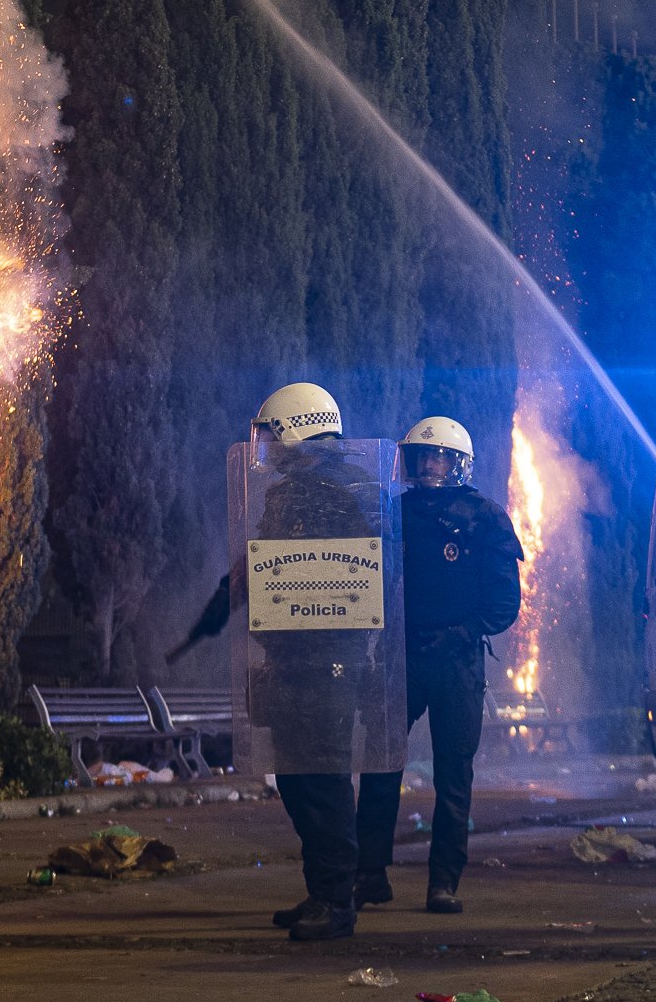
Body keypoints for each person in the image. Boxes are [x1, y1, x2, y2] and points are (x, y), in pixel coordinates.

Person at [175, 382, 395, 942]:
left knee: (321, 778)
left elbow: (376, 569)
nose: (265, 445)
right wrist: (222, 605)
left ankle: (337, 901)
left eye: (271, 432)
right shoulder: (287, 492)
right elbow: (265, 561)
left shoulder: (353, 489)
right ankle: (322, 888)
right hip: (291, 657)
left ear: (297, 427)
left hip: (330, 659)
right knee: (299, 779)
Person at [353, 415, 523, 915]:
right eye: (422, 456)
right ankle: (369, 875)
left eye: (439, 456)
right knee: (381, 766)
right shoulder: (390, 513)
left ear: (459, 463)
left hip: (457, 663)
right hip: (398, 657)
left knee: (453, 775)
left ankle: (444, 882)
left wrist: (463, 633)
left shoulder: (483, 518)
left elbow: (504, 603)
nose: (428, 465)